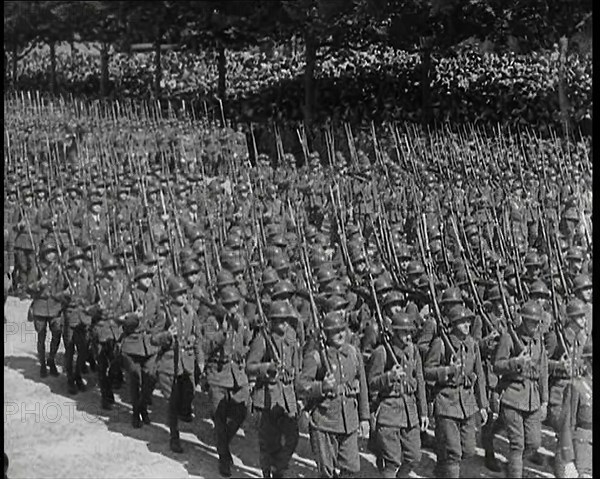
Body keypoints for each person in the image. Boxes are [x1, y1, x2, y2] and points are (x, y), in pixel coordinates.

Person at [297, 311, 370, 478]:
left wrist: (364, 417)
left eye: (342, 330)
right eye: (335, 331)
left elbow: (363, 386)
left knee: (351, 468)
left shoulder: (352, 353)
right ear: (326, 334)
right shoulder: (315, 356)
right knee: (326, 472)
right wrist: (321, 386)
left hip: (349, 421)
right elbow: (301, 386)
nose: (340, 334)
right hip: (324, 421)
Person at [423, 305, 488, 478]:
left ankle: (442, 465)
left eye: (468, 321)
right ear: (452, 323)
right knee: (454, 453)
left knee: (468, 449)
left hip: (467, 402)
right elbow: (427, 371)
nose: (467, 325)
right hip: (446, 401)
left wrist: (482, 405)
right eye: (461, 322)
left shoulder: (472, 345)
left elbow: (480, 374)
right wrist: (447, 371)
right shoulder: (440, 343)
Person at [367, 312, 427, 478]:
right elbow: (371, 383)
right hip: (389, 412)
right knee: (392, 461)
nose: (408, 336)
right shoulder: (382, 352)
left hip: (410, 412)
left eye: (410, 332)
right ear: (394, 332)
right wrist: (389, 377)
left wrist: (423, 412)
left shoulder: (413, 351)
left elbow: (419, 381)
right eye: (403, 332)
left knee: (414, 457)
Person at [493, 301, 549, 478]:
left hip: (533, 398)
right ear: (523, 320)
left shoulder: (538, 340)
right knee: (517, 444)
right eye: (531, 321)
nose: (535, 325)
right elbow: (497, 365)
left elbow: (544, 371)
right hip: (513, 396)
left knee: (534, 443)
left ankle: (513, 467)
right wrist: (515, 363)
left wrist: (545, 401)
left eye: (537, 321)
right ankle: (515, 473)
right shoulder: (509, 337)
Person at [246, 301, 301, 479]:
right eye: (280, 321)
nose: (284, 325)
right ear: (272, 322)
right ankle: (268, 472)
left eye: (287, 321)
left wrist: (299, 397)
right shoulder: (262, 340)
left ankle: (279, 467)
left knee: (292, 437)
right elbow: (249, 367)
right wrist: (266, 367)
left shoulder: (291, 341)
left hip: (287, 397)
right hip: (267, 397)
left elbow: (296, 369)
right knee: (269, 442)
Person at [203, 285, 253, 477]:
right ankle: (223, 457)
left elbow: (246, 342)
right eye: (228, 305)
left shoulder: (239, 320)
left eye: (235, 304)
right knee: (219, 418)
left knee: (241, 412)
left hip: (236, 375)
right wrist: (222, 333)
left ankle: (222, 443)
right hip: (217, 374)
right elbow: (206, 347)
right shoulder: (211, 322)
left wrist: (243, 326)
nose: (233, 308)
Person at [154, 276, 204, 453]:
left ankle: (183, 414)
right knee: (172, 403)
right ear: (172, 295)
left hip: (187, 364)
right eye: (180, 293)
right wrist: (167, 335)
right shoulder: (163, 313)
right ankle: (174, 436)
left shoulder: (190, 312)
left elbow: (197, 337)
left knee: (188, 396)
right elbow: (154, 339)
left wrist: (201, 360)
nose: (184, 296)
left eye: (185, 292)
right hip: (169, 364)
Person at [119, 264, 162, 428]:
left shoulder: (154, 297)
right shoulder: (128, 296)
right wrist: (132, 317)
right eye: (145, 277)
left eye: (150, 277)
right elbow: (122, 321)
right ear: (137, 280)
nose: (149, 280)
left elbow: (160, 318)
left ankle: (142, 406)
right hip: (132, 344)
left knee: (150, 379)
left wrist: (153, 331)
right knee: (135, 379)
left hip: (149, 344)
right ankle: (136, 413)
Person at [27, 239, 64, 378]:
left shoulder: (59, 269)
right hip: (40, 307)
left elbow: (63, 286)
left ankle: (51, 359)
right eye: (48, 252)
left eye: (53, 252)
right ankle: (42, 364)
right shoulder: (37, 268)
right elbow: (28, 287)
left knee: (57, 334)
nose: (51, 255)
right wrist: (38, 284)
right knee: (41, 337)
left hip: (55, 306)